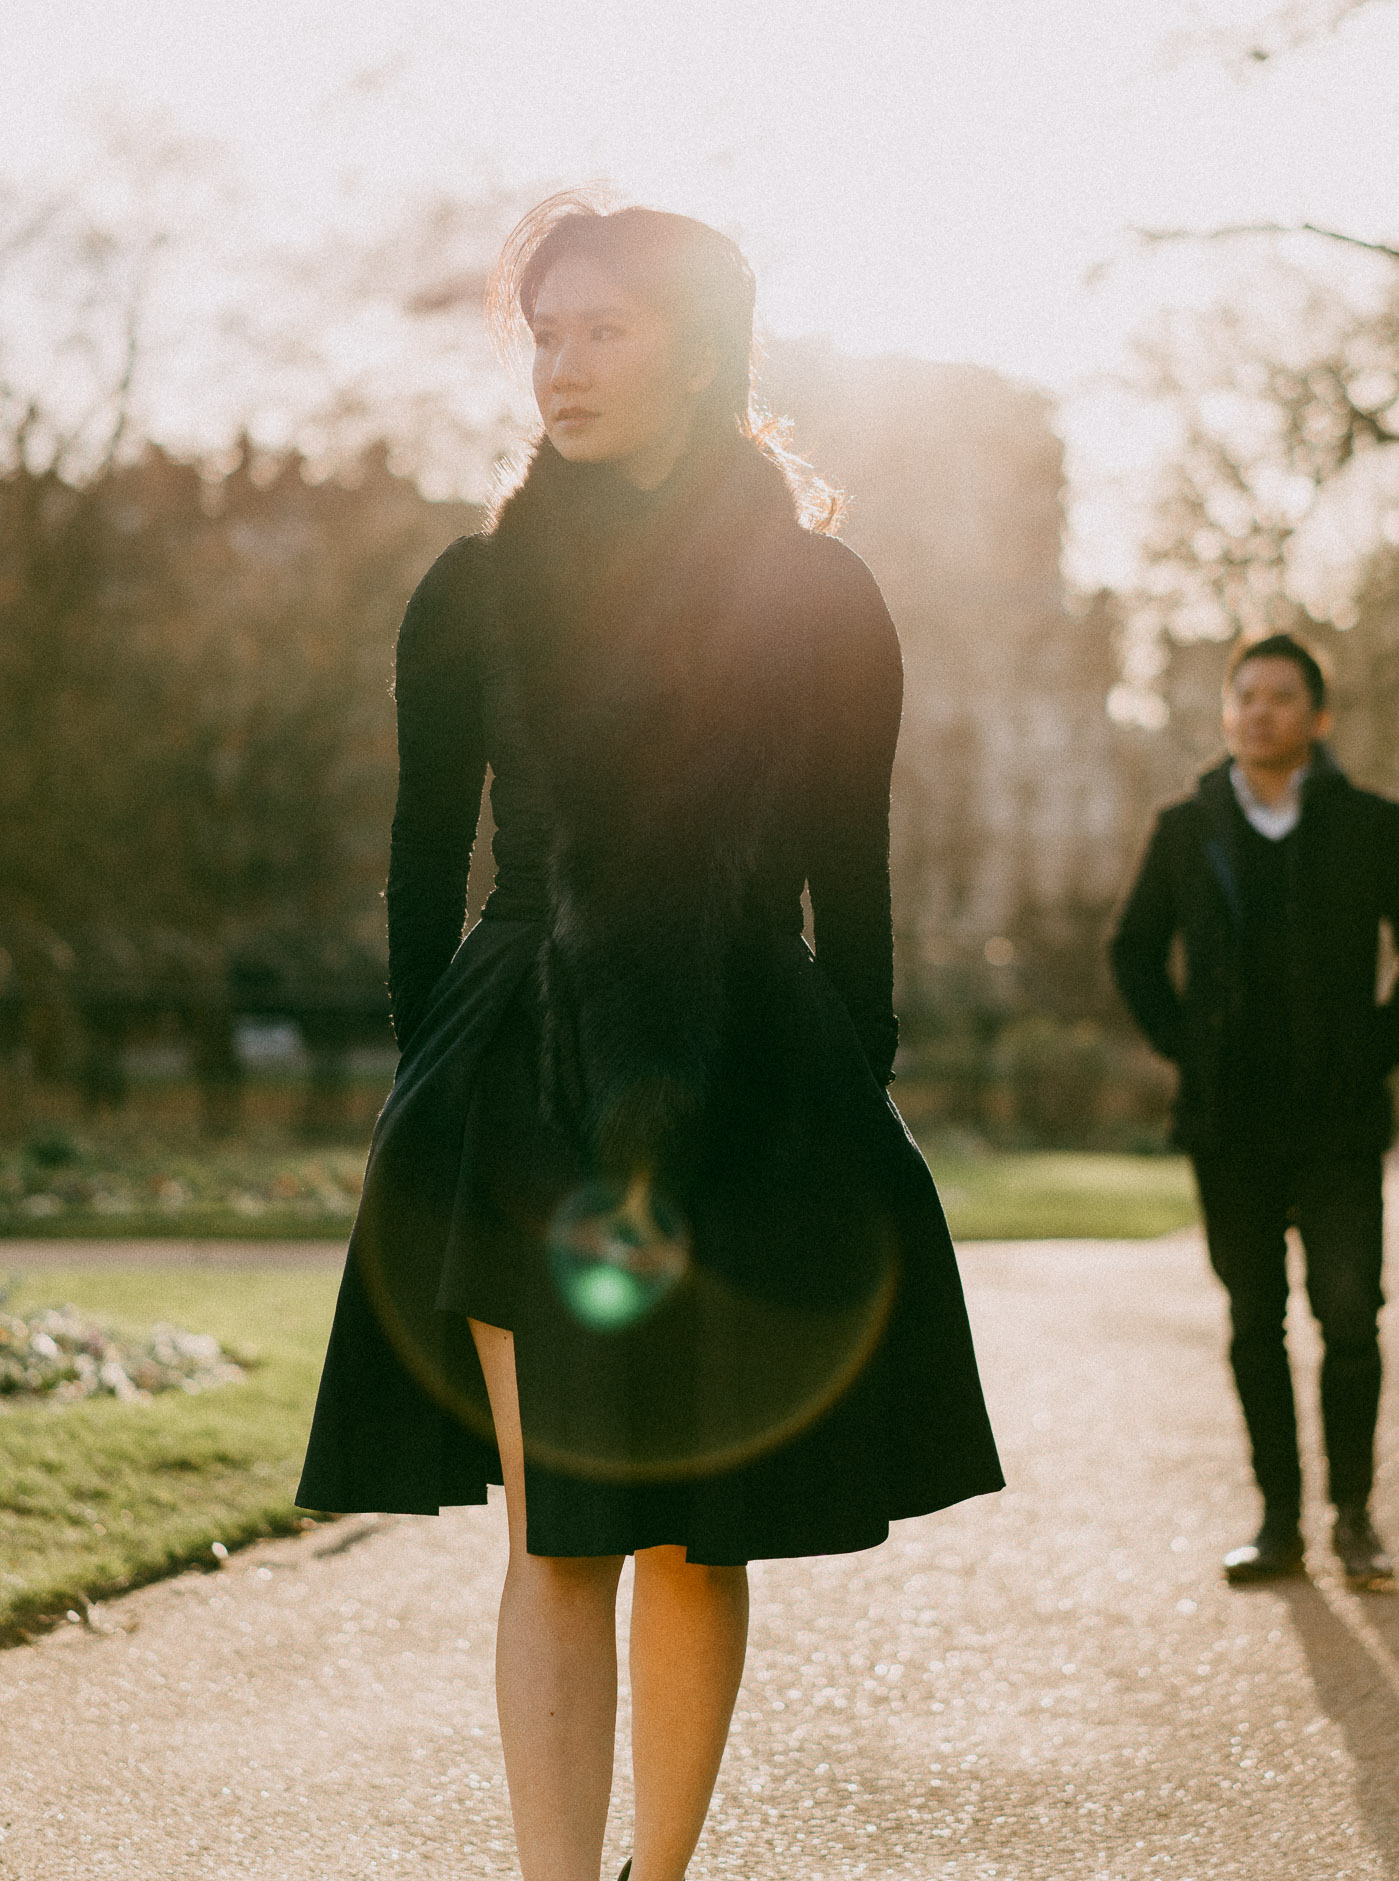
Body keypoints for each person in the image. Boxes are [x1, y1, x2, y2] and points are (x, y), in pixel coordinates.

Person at [297, 195, 1004, 1881]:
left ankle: (660, 1874)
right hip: (514, 1071)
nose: (565, 363)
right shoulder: (470, 590)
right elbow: (422, 864)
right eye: (544, 332)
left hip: (760, 1076)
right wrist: (426, 1083)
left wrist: (855, 1092)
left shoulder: (822, 594)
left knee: (698, 1527)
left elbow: (856, 875)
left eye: (604, 327)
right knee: (560, 1531)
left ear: (700, 348)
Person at [1109, 633, 1399, 1588]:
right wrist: (1186, 1045)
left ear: (1318, 716)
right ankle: (1278, 1524)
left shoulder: (1373, 825)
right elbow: (1133, 948)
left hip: (1339, 1120)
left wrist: (1378, 1047)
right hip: (1229, 1123)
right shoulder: (1187, 827)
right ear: (1228, 713)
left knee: (1349, 1315)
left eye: (1280, 696)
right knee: (1253, 1317)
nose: (1259, 710)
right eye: (1245, 695)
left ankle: (1354, 1519)